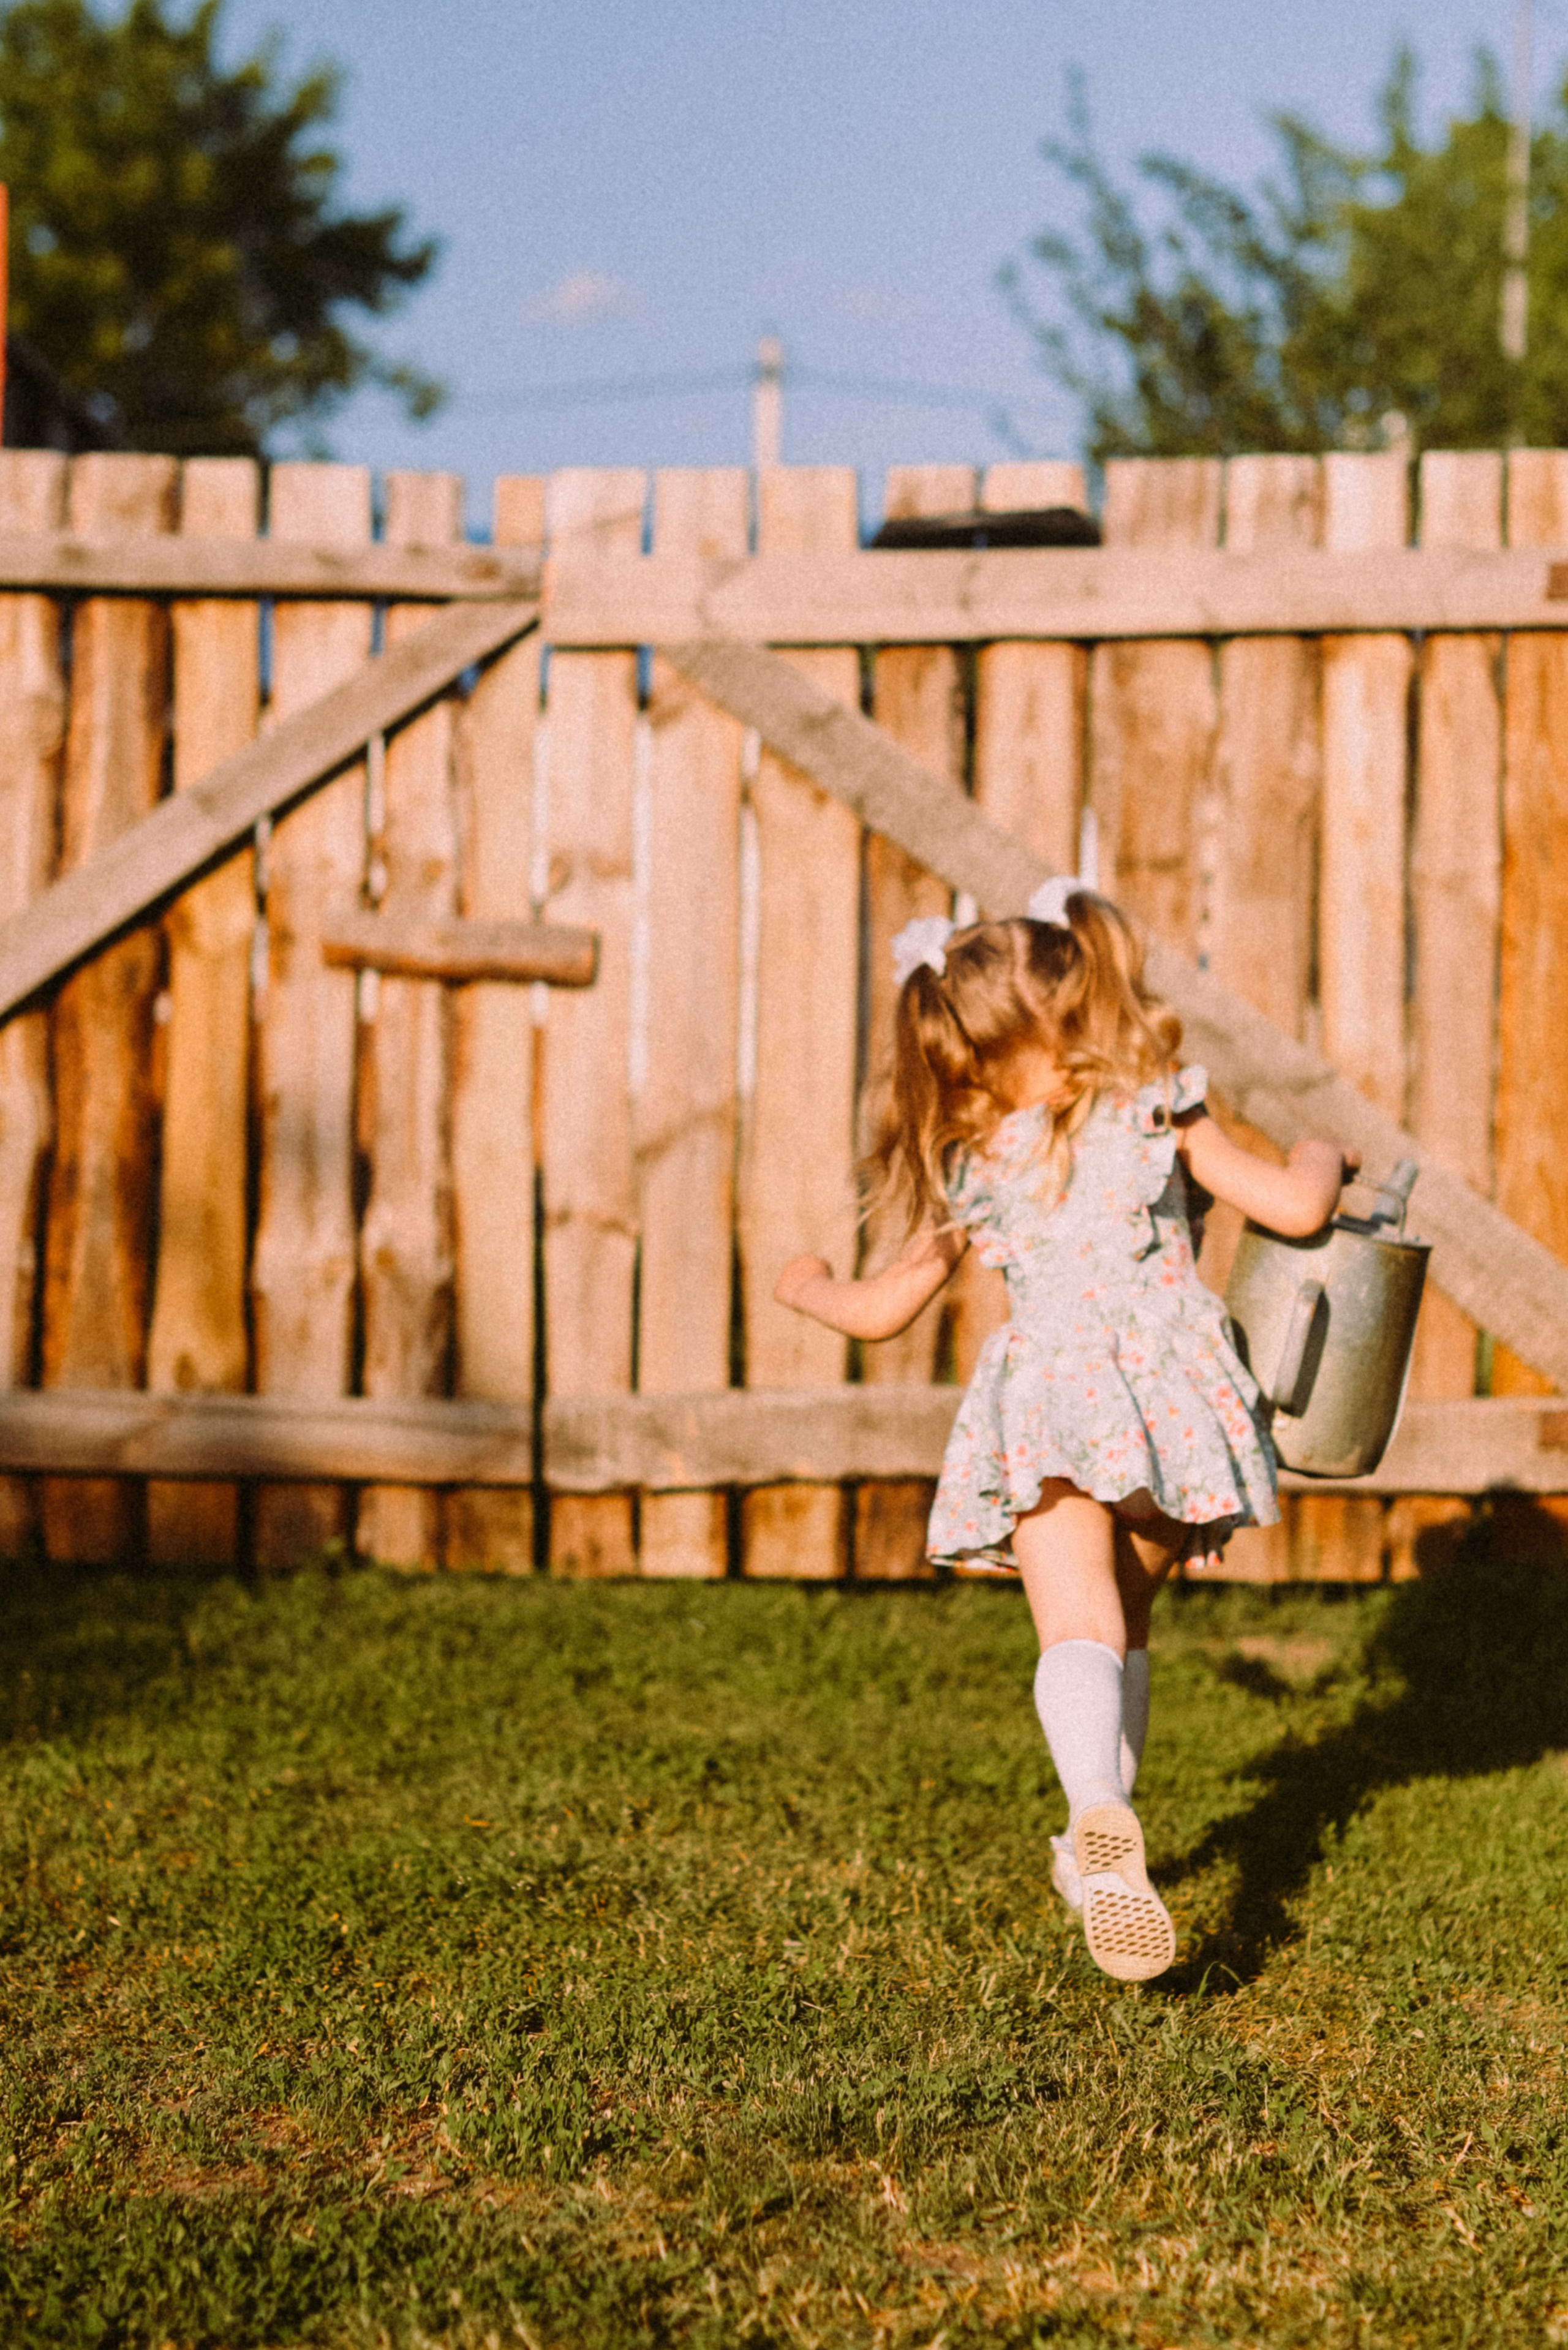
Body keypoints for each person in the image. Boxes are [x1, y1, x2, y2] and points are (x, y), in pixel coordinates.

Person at [774, 878, 1357, 1984]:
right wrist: (1323, 1152)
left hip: (1049, 1407)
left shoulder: (975, 1159)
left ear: (968, 1050)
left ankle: (1097, 1813)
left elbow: (883, 1307)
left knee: (1077, 1627)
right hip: (1167, 1413)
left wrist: (808, 1286)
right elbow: (1296, 1209)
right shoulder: (1158, 1107)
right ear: (1078, 998)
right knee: (1129, 1619)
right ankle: (1098, 1845)